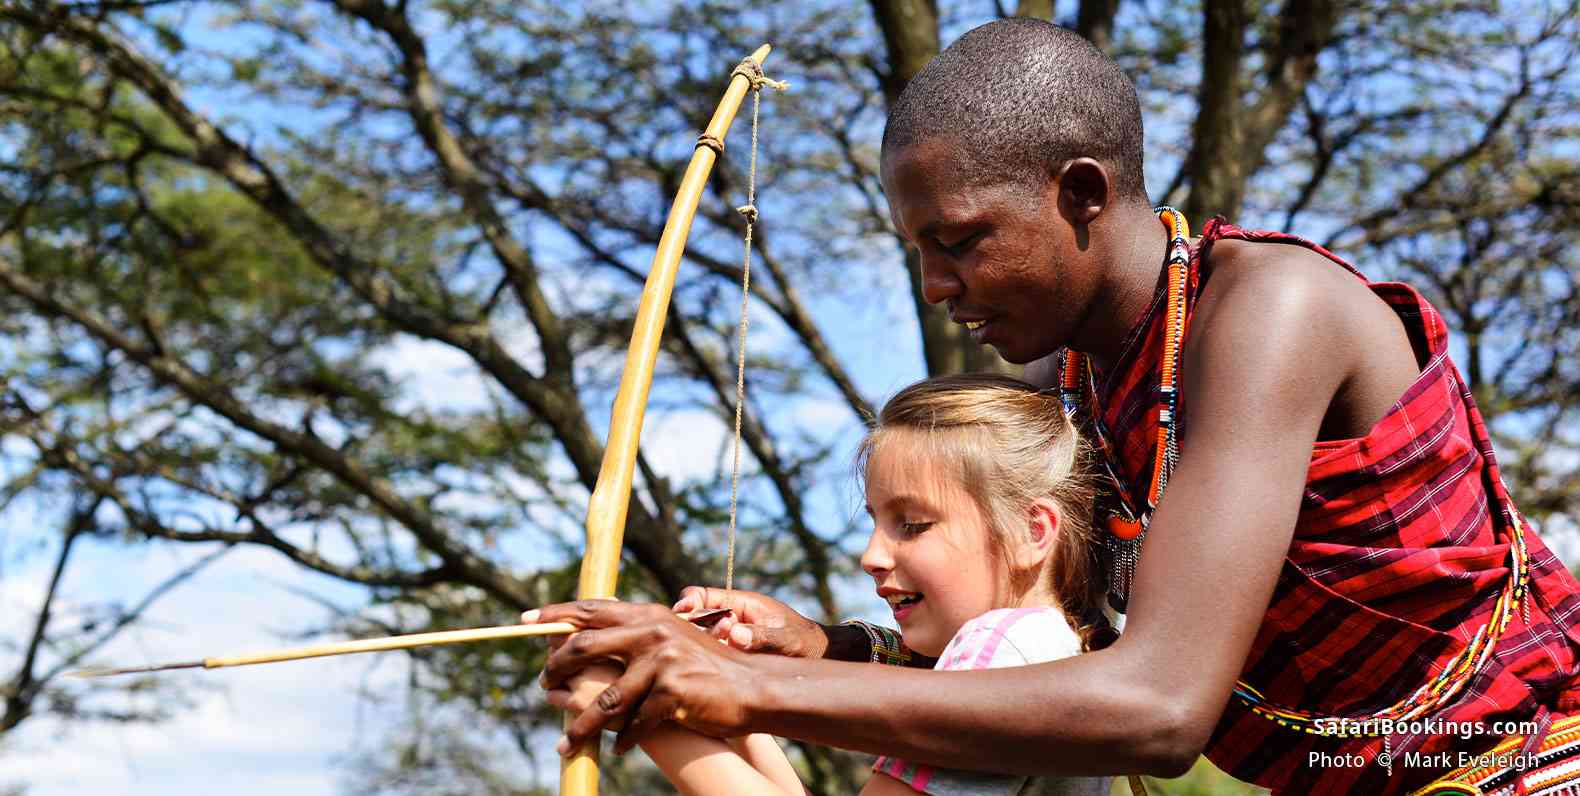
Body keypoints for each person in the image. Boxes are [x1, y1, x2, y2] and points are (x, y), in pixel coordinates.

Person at [528, 18, 1580, 795]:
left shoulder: (1271, 312)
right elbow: (1054, 656)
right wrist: (823, 651)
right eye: (919, 254)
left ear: (1079, 192)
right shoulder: (1064, 385)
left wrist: (740, 691)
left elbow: (1158, 705)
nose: (937, 287)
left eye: (958, 240)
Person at [551, 374, 1111, 795]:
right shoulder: (1044, 651)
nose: (871, 555)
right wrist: (713, 683)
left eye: (913, 525)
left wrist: (637, 708)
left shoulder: (1002, 648)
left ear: (1031, 532)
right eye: (874, 521)